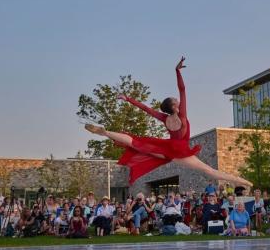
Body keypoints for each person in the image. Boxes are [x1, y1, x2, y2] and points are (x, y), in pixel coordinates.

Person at [84, 57, 252, 188]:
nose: (178, 100)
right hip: (181, 152)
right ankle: (241, 181)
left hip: (167, 148)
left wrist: (128, 98)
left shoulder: (165, 118)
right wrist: (177, 71)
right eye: (175, 100)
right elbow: (183, 89)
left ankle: (105, 132)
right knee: (209, 171)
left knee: (135, 141)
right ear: (174, 105)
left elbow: (146, 109)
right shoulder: (182, 115)